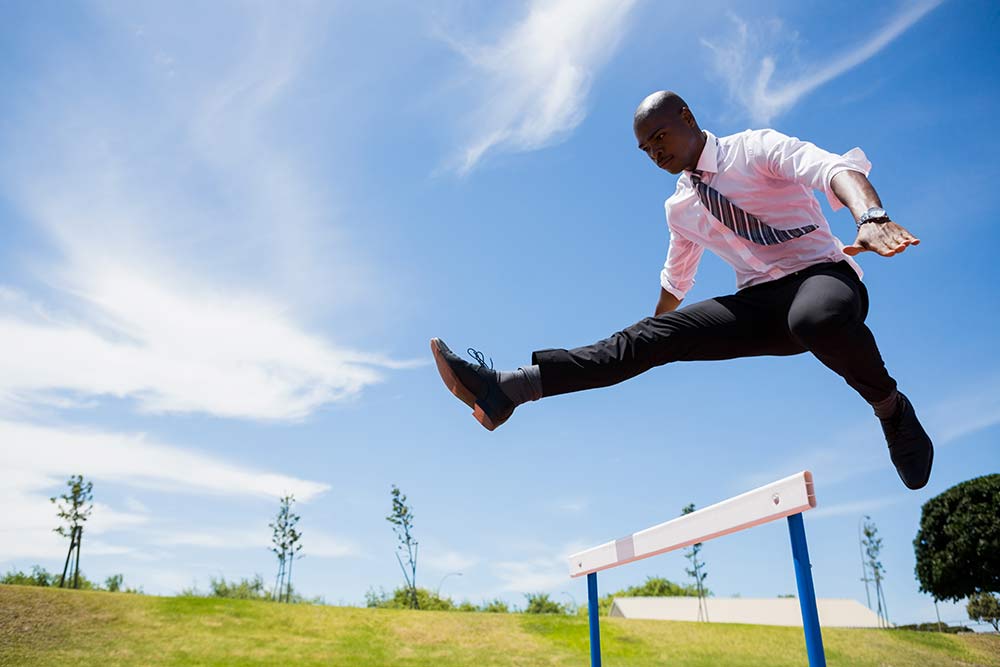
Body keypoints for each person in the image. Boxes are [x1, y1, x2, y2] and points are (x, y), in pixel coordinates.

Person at [431, 90, 933, 490]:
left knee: (813, 318)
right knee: (648, 337)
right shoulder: (681, 207)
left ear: (687, 117)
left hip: (824, 280)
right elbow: (677, 278)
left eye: (660, 137)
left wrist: (871, 216)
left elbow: (832, 169)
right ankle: (510, 387)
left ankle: (891, 409)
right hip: (759, 306)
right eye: (646, 150)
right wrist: (654, 332)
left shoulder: (754, 149)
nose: (655, 153)